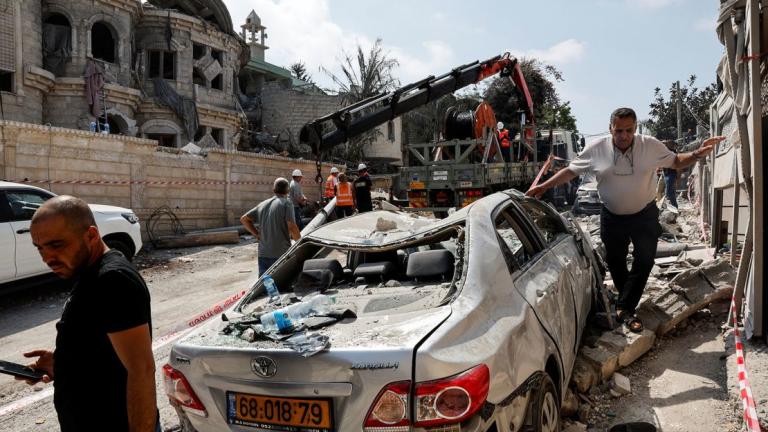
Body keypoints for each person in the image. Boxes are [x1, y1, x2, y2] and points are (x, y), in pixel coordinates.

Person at [526, 107, 724, 333]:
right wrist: (543, 186)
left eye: (629, 130)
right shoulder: (597, 149)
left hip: (645, 215)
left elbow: (676, 161)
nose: (624, 135)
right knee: (615, 262)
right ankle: (627, 307)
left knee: (645, 260)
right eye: (618, 130)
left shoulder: (649, 145)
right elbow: (571, 171)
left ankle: (624, 308)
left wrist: (698, 153)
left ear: (635, 129)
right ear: (610, 129)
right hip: (612, 216)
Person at [21, 196, 158, 432]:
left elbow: (142, 370)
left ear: (91, 236)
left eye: (56, 245)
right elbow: (104, 349)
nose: (47, 257)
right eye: (40, 248)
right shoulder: (91, 272)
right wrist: (63, 363)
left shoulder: (112, 280)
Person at [240, 178, 301, 276]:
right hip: (280, 254)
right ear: (288, 191)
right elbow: (292, 226)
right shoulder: (287, 203)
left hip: (263, 254)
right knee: (282, 288)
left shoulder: (263, 204)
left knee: (266, 287)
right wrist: (299, 243)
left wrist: (257, 234)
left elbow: (244, 219)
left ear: (273, 189)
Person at [662, 140, 679, 209]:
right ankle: (673, 207)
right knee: (669, 192)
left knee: (669, 193)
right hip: (666, 174)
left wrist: (678, 177)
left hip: (671, 174)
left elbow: (678, 166)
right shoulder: (667, 151)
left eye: (667, 144)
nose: (665, 145)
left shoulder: (672, 152)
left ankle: (674, 207)